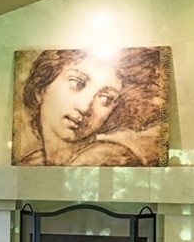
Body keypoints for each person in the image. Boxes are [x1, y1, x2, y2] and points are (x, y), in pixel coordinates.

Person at [13, 47, 169, 166]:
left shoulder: (109, 159)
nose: (85, 106)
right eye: (77, 83)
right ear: (42, 87)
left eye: (106, 98)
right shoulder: (34, 163)